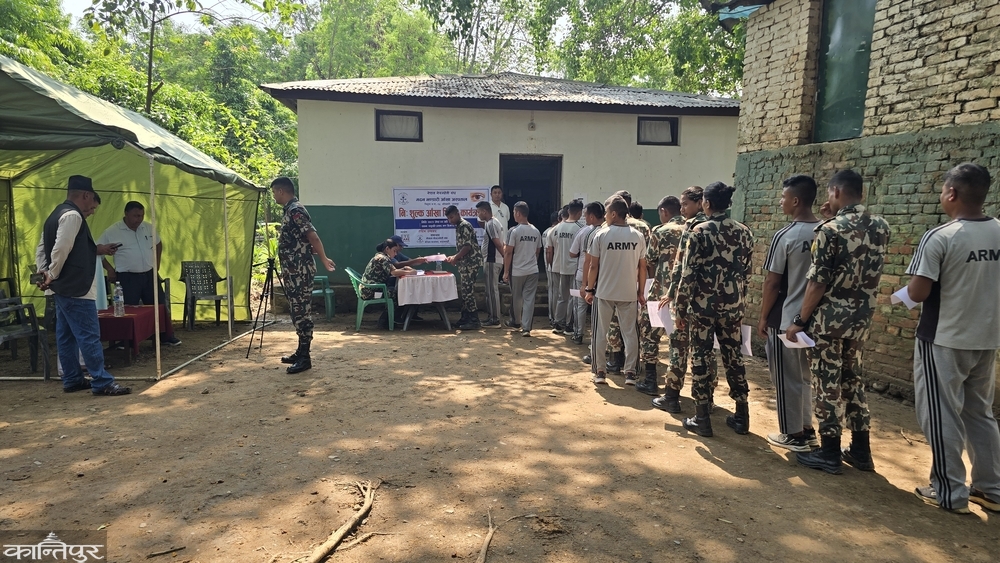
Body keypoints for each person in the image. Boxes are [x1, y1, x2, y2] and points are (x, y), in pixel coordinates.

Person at [904, 163, 1000, 514]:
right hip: (986, 337)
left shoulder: (941, 236)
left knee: (941, 413)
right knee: (980, 413)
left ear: (952, 193)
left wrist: (904, 292)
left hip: (943, 339)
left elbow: (917, 292)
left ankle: (949, 491)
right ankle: (991, 488)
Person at [786, 170, 890, 474]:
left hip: (828, 323)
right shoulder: (881, 226)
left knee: (826, 384)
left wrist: (799, 320)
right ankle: (861, 450)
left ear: (835, 192)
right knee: (852, 380)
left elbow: (817, 282)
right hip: (860, 321)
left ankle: (829, 452)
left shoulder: (829, 230)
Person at [36, 175, 130, 396]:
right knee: (88, 335)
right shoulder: (73, 216)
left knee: (66, 335)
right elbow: (61, 248)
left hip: (62, 287)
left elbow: (42, 247)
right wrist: (51, 273)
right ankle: (102, 381)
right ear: (86, 195)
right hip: (76, 286)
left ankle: (72, 378)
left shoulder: (55, 214)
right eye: (92, 206)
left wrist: (43, 273)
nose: (92, 211)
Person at [673, 182, 753, 437]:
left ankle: (702, 417)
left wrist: (680, 309)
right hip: (732, 308)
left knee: (700, 357)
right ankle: (742, 415)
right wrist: (740, 304)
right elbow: (746, 273)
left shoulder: (699, 231)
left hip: (703, 309)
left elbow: (688, 274)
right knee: (734, 357)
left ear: (706, 203)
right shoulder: (744, 232)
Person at [757, 175, 821, 452]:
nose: (780, 201)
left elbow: (772, 282)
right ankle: (807, 428)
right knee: (804, 377)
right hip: (814, 320)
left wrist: (763, 317)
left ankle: (793, 434)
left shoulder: (786, 236)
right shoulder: (825, 231)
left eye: (783, 197)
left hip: (785, 319)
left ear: (795, 201)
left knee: (785, 378)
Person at [654, 186, 718, 413]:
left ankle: (671, 396)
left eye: (685, 204)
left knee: (678, 347)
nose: (681, 209)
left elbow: (682, 268)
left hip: (689, 300)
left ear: (700, 203)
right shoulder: (720, 227)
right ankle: (708, 398)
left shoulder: (692, 228)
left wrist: (672, 294)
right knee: (707, 351)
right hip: (712, 303)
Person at [270, 177, 336, 374]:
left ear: (281, 191)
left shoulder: (295, 210)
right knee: (296, 311)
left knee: (301, 312)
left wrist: (324, 259)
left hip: (299, 271)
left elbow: (312, 236)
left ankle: (305, 358)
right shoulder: (290, 210)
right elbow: (301, 239)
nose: (273, 196)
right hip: (293, 270)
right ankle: (300, 351)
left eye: (273, 192)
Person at [98, 200, 181, 346]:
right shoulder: (112, 231)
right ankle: (126, 341)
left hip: (149, 274)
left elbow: (158, 243)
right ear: (126, 214)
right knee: (128, 310)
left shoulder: (147, 227)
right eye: (135, 216)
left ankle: (165, 336)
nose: (139, 219)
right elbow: (98, 251)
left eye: (141, 216)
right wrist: (110, 269)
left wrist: (157, 264)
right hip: (127, 277)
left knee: (159, 305)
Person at [584, 196, 646, 385]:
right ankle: (630, 373)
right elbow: (642, 267)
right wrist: (640, 292)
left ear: (613, 214)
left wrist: (589, 289)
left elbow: (593, 266)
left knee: (599, 332)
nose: (604, 216)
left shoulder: (601, 235)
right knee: (630, 333)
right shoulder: (638, 236)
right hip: (628, 292)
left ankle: (600, 372)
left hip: (604, 292)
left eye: (606, 212)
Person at [636, 195, 683, 396]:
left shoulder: (660, 231)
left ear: (663, 211)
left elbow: (649, 259)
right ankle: (675, 389)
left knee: (650, 335)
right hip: (685, 294)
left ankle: (650, 380)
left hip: (660, 292)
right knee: (679, 342)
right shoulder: (693, 229)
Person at [604, 190, 651, 377]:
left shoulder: (607, 227)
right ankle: (633, 365)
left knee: (613, 323)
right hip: (634, 282)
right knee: (632, 326)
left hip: (611, 283)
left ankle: (614, 361)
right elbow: (647, 260)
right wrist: (644, 287)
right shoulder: (643, 227)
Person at [503, 201, 542, 336]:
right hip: (533, 270)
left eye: (514, 212)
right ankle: (526, 328)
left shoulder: (514, 231)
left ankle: (516, 321)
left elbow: (508, 252)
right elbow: (538, 251)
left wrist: (506, 271)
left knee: (517, 297)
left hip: (517, 271)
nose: (513, 214)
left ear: (518, 213)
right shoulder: (536, 231)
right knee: (529, 299)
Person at [569, 201, 604, 345]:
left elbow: (586, 260)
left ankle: (578, 334)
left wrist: (584, 284)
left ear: (591, 216)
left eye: (586, 215)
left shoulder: (587, 232)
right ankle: (599, 338)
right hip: (602, 276)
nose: (584, 217)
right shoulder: (607, 230)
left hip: (584, 274)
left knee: (580, 305)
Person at [362, 239, 416, 328]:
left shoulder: (382, 257)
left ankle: (390, 319)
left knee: (396, 292)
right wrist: (410, 272)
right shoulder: (382, 258)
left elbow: (394, 270)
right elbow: (394, 272)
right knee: (397, 294)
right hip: (370, 291)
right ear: (387, 249)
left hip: (372, 288)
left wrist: (405, 269)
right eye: (394, 251)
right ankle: (385, 321)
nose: (396, 254)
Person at [445, 205, 483, 330]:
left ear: (457, 214)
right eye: (448, 218)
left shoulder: (464, 226)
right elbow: (462, 248)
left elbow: (467, 247)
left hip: (470, 264)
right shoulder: (459, 227)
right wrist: (455, 257)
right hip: (465, 263)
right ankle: (465, 317)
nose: (450, 220)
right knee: (465, 292)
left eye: (451, 217)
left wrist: (455, 258)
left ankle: (474, 320)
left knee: (468, 292)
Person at [551, 200, 583, 334]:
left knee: (562, 296)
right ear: (580, 212)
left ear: (568, 211)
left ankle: (558, 322)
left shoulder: (558, 228)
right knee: (572, 298)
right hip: (574, 267)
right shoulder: (580, 228)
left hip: (561, 266)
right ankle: (569, 325)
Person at [476, 201, 505, 327]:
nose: (478, 215)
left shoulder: (491, 224)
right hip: (493, 260)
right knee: (490, 290)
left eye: (478, 212)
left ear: (484, 211)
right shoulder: (494, 222)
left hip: (492, 260)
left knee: (492, 291)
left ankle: (495, 319)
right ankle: (492, 317)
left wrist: (505, 258)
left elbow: (497, 243)